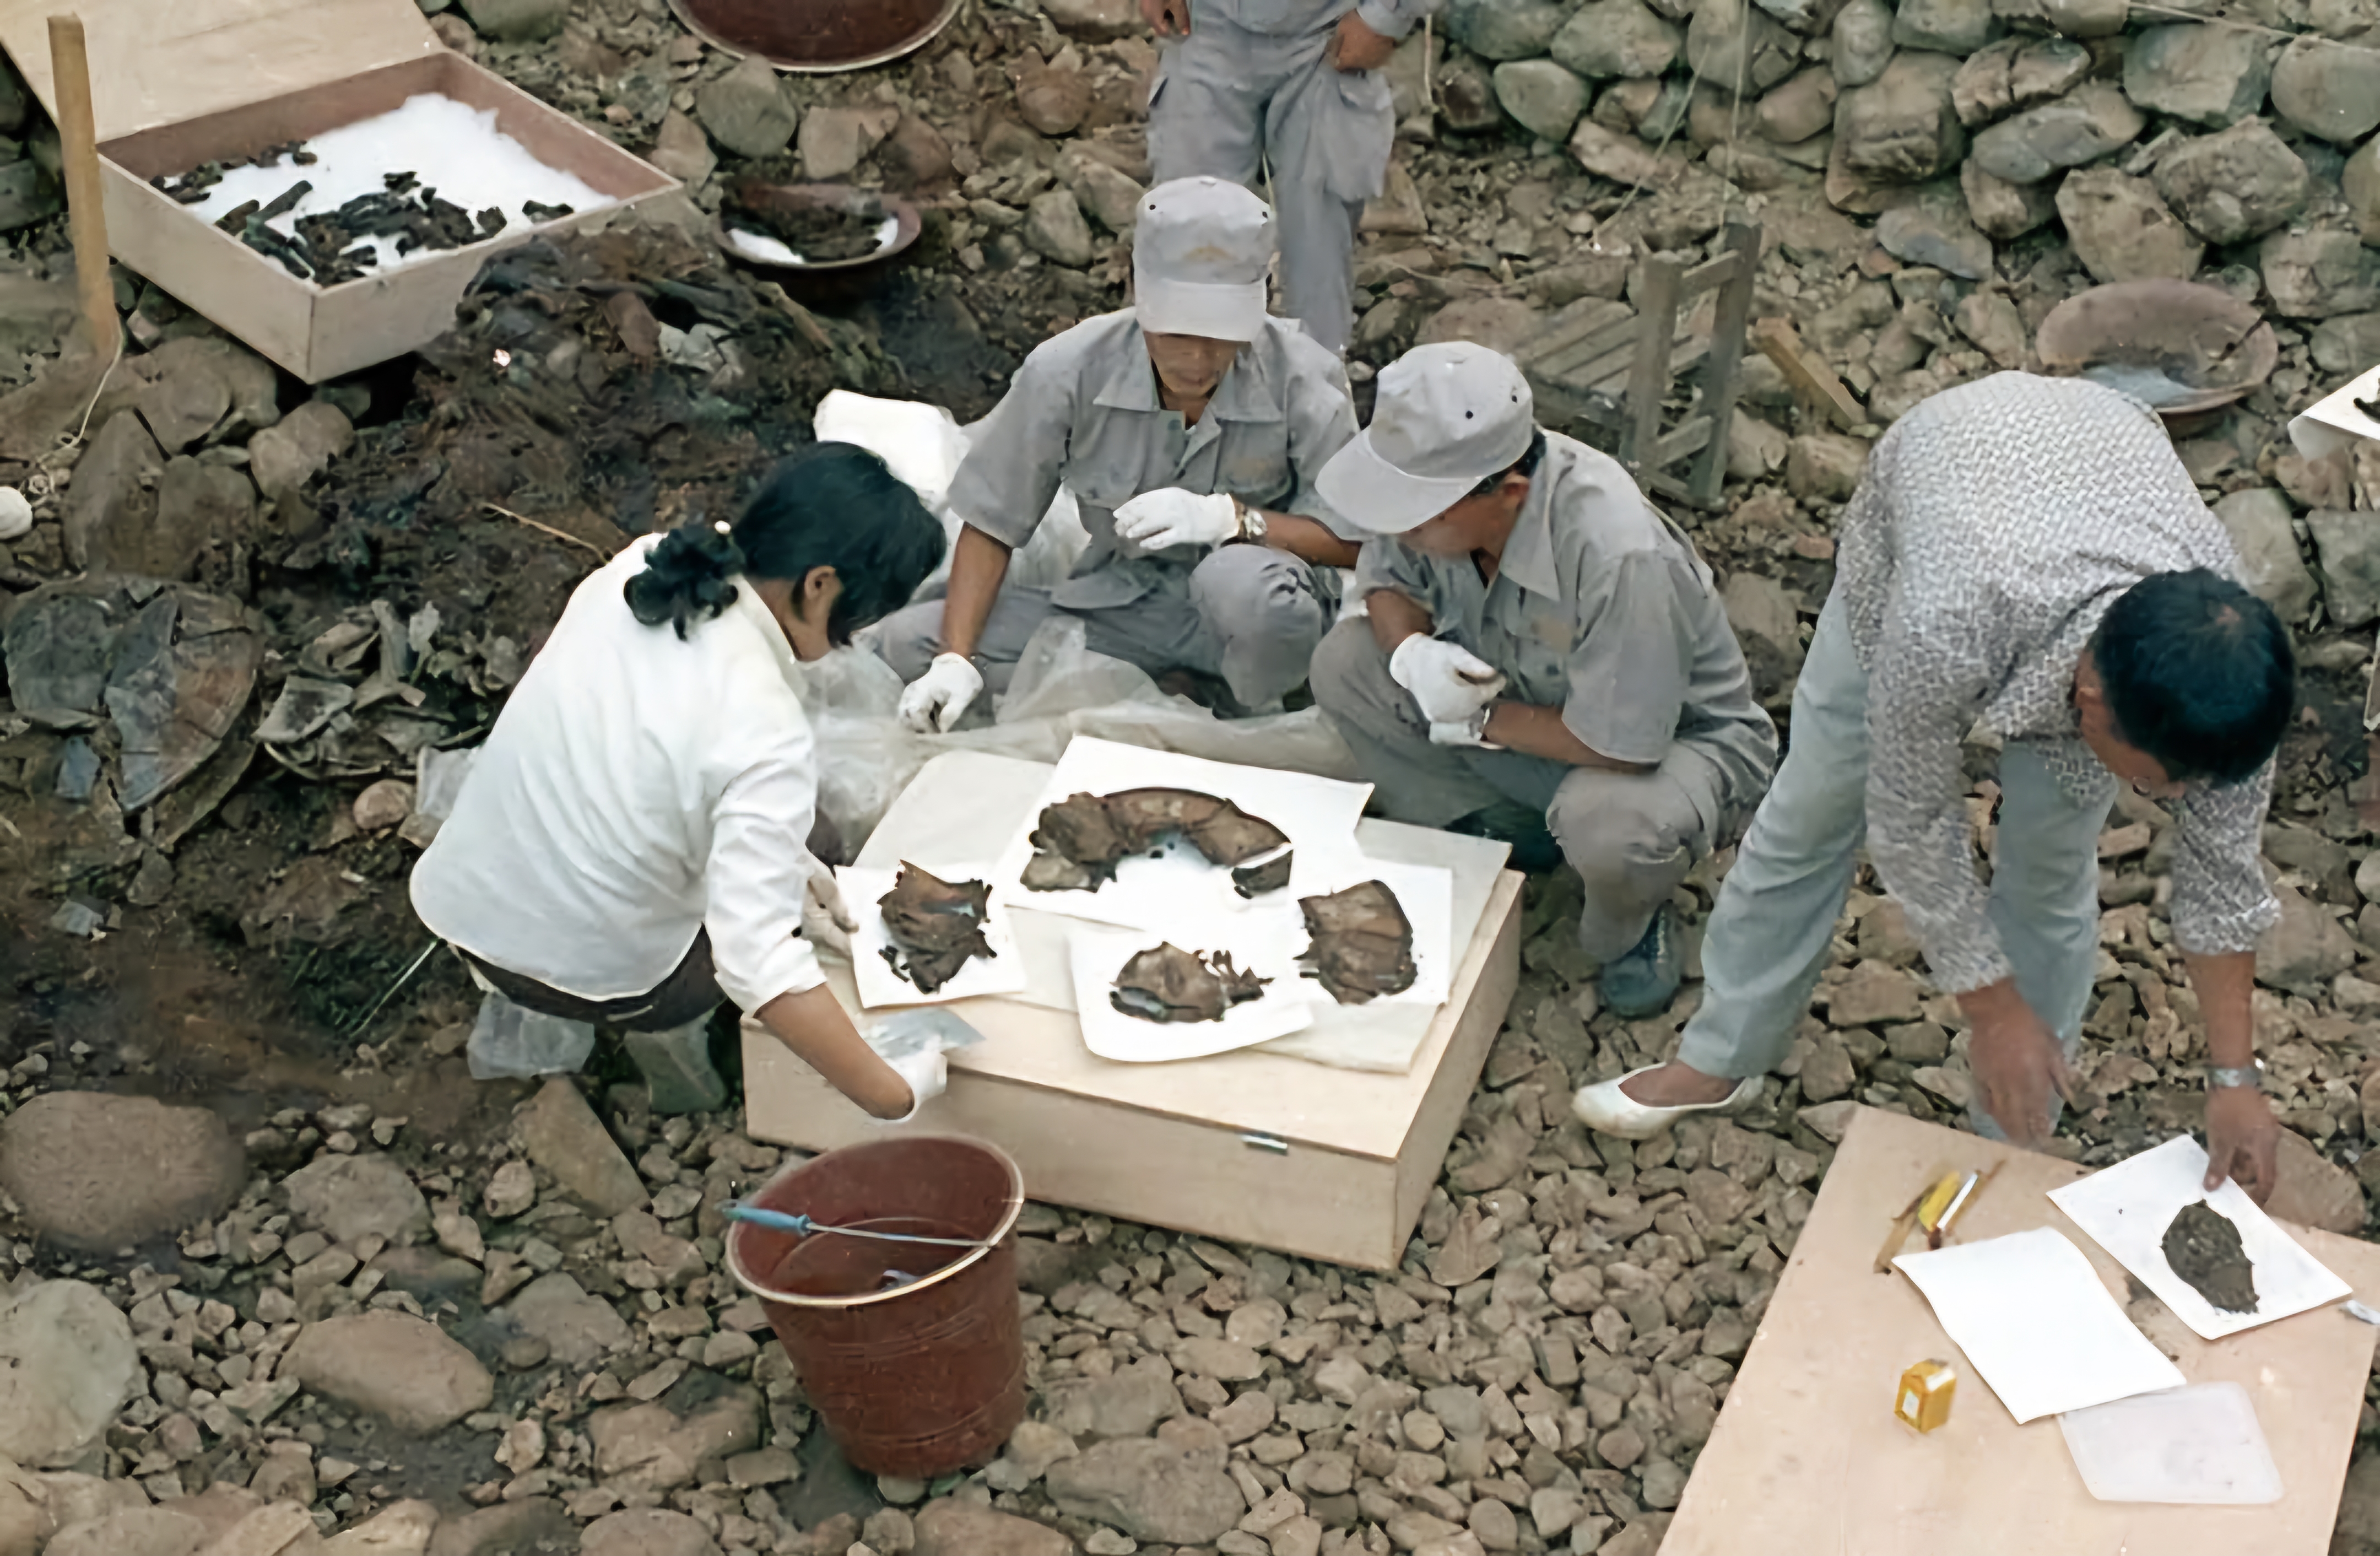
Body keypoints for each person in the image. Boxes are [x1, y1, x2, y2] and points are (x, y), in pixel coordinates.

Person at [1571, 372, 2297, 1204]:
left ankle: (2014, 1127)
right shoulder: (1942, 619)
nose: (2168, 803)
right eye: (2152, 784)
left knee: (2052, 870)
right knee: (1814, 809)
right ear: (2093, 704)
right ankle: (1720, 1057)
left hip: (2093, 473)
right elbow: (1911, 819)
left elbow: (2223, 881)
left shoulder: (2230, 684)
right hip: (1939, 506)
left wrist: (2235, 1078)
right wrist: (1991, 1010)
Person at [410, 445, 949, 1120]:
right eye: (863, 617)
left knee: (800, 837)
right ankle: (664, 1039)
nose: (856, 638)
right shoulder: (764, 728)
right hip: (591, 973)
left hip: (462, 900)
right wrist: (892, 1091)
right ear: (819, 585)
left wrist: (781, 865)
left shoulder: (648, 566)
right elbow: (756, 965)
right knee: (816, 839)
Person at [1308, 342, 1778, 1018]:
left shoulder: (1617, 553)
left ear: (1509, 495)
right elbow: (1386, 581)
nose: (1400, 527)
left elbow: (1625, 744)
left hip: (1668, 749)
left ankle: (1630, 919)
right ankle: (1507, 828)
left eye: (1417, 516)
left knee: (1608, 825)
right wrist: (1412, 652)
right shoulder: (1440, 486)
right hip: (1527, 716)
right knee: (1347, 664)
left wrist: (1476, 719)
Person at [878, 177, 1362, 727]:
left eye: (1222, 335)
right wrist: (954, 660)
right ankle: (1173, 693)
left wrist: (1233, 521)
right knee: (909, 642)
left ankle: (1254, 710)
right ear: (1135, 289)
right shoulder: (1069, 370)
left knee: (1245, 589)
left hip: (1256, 626)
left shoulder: (1304, 379)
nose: (1198, 360)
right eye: (1176, 333)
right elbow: (993, 521)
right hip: (1127, 605)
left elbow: (1354, 542)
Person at [1140, 0, 1441, 356]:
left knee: (1319, 232)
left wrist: (1385, 18)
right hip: (1209, 24)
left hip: (1328, 32)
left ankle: (1319, 375)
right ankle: (1191, 377)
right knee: (1190, 223)